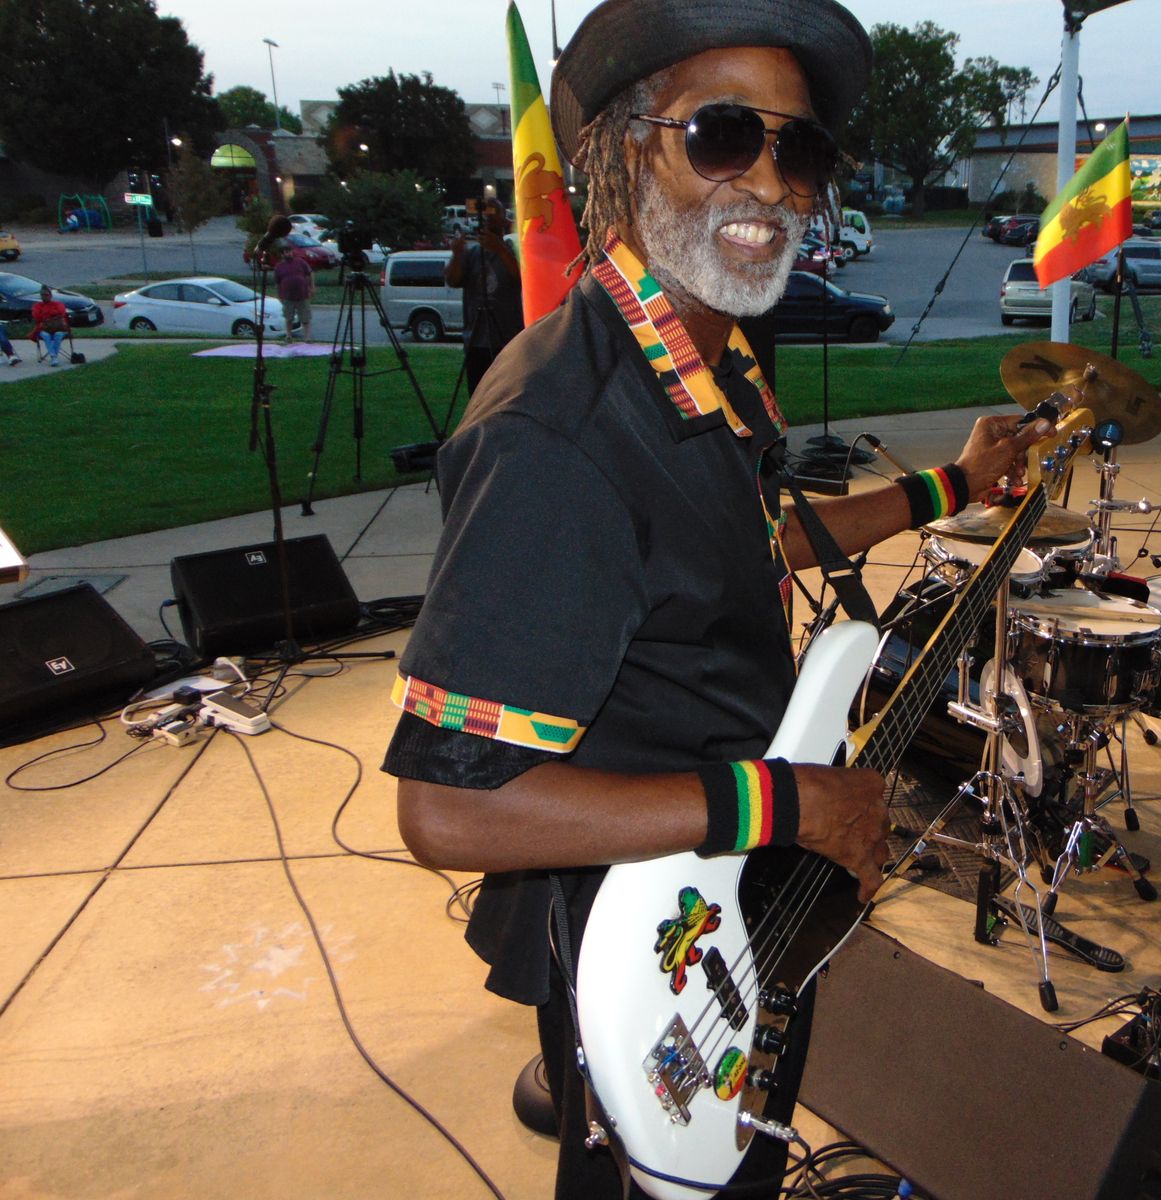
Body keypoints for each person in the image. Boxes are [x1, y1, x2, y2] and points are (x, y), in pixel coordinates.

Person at [383, 2, 1050, 1196]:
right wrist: (789, 801)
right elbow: (449, 808)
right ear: (623, 151)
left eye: (801, 150)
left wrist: (949, 487)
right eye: (723, 134)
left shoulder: (703, 356)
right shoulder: (561, 436)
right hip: (639, 923)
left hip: (721, 875)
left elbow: (734, 547)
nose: (773, 183)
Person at [444, 196, 523, 393]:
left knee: (507, 394)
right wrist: (457, 254)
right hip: (476, 339)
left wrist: (499, 249)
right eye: (485, 214)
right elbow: (453, 280)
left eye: (493, 213)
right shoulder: (471, 255)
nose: (488, 218)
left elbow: (522, 277)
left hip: (507, 337)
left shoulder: (513, 251)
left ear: (504, 220)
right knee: (478, 393)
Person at [272, 247, 315, 343]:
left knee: (305, 317)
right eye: (286, 252)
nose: (289, 254)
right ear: (282, 254)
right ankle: (289, 336)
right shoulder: (279, 267)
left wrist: (312, 287)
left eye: (290, 252)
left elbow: (310, 273)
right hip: (287, 296)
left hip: (302, 295)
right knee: (289, 318)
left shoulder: (300, 262)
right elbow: (277, 283)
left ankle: (307, 337)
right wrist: (279, 295)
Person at [30, 286, 70, 367]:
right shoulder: (37, 306)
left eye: (46, 295)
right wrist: (52, 314)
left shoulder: (58, 304)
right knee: (46, 335)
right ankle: (53, 356)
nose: (44, 297)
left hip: (59, 327)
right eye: (42, 295)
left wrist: (45, 315)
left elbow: (61, 312)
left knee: (58, 335)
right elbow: (37, 317)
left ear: (51, 295)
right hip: (44, 328)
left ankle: (54, 356)